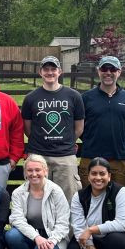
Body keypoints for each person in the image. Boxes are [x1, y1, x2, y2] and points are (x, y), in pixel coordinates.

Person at [21, 55, 84, 202]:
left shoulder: (74, 96)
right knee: (37, 199)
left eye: (53, 69)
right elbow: (27, 129)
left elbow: (79, 127)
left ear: (60, 72)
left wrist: (66, 140)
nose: (50, 72)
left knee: (68, 199)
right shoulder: (31, 98)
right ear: (40, 72)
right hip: (38, 156)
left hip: (65, 156)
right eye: (46, 69)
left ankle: (67, 226)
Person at [5, 154, 70, 249]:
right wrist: (37, 237)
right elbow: (17, 219)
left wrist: (51, 241)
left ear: (45, 171)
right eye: (30, 170)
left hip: (52, 234)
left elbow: (63, 222)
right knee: (11, 235)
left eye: (38, 170)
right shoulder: (18, 192)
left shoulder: (56, 191)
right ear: (25, 173)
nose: (34, 174)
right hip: (32, 235)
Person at [79, 56, 125, 188]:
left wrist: (120, 139)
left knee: (119, 199)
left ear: (119, 72)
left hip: (119, 158)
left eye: (113, 69)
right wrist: (90, 138)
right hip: (91, 157)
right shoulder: (86, 98)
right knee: (90, 200)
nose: (108, 73)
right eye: (104, 69)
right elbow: (79, 126)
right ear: (98, 71)